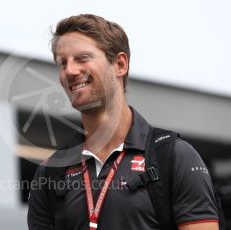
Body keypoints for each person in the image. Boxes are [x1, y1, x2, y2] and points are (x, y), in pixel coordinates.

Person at [27, 14, 220, 230]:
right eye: (62, 63)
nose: (69, 71)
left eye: (82, 58)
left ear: (120, 64)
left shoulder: (174, 157)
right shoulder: (51, 171)